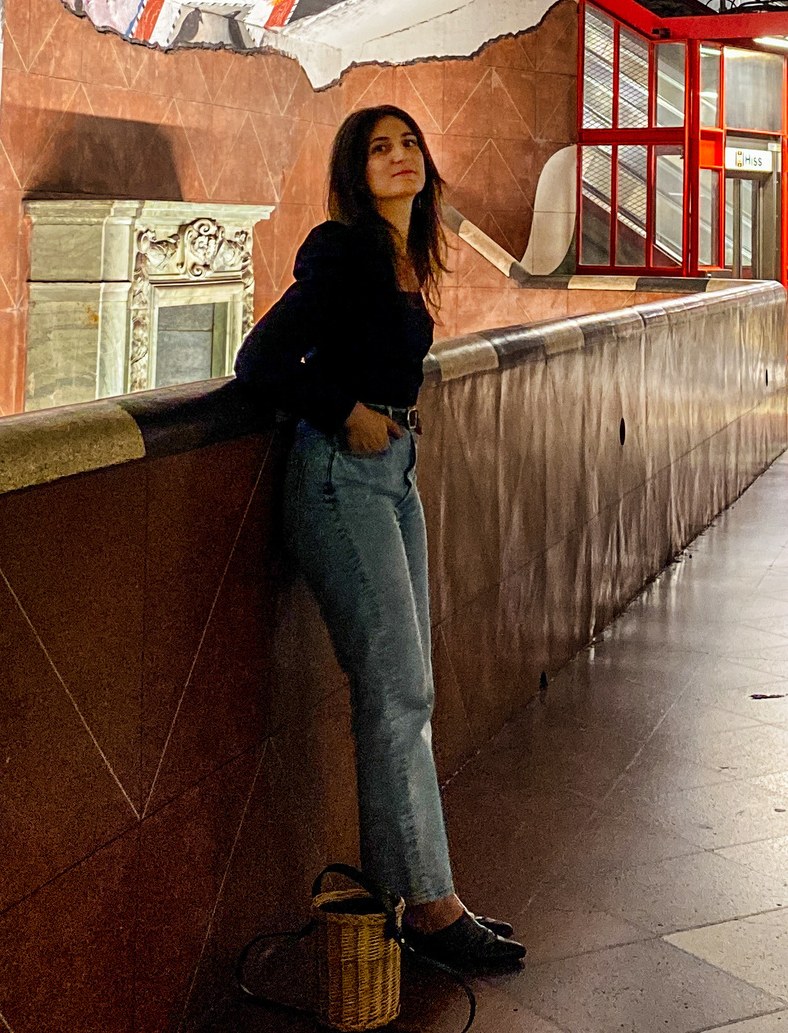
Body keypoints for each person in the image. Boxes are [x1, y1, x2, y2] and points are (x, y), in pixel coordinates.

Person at [231, 104, 528, 973]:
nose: (398, 158)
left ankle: (419, 898)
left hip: (391, 476)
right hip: (337, 474)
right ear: (354, 172)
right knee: (397, 694)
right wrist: (346, 411)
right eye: (378, 149)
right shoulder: (345, 250)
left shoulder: (404, 256)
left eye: (409, 145)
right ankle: (430, 908)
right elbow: (261, 362)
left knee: (411, 689)